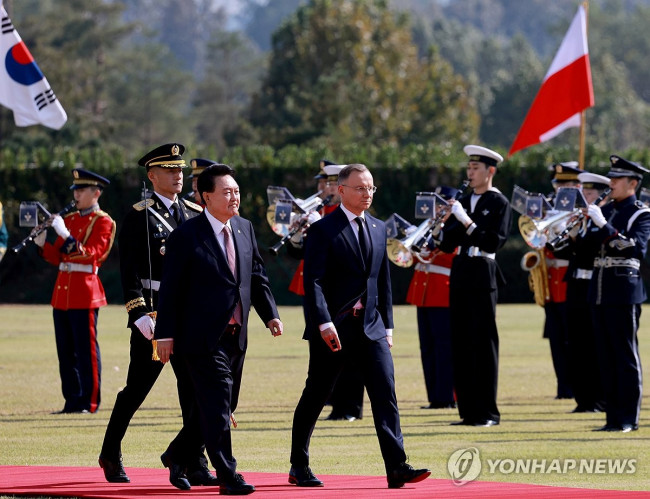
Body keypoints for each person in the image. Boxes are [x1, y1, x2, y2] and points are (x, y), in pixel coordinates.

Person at [289, 163, 430, 489]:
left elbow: (383, 282)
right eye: (360, 188)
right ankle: (299, 464)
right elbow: (314, 283)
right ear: (342, 191)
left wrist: (389, 327)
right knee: (316, 394)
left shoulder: (379, 228)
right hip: (334, 327)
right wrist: (323, 323)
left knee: (385, 394)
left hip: (372, 327)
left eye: (370, 188)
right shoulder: (323, 230)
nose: (367, 193)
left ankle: (397, 467)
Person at [155, 163, 283, 496]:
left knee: (224, 406)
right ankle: (228, 475)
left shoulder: (244, 227)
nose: (234, 197)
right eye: (226, 192)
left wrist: (270, 314)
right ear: (205, 196)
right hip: (199, 338)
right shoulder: (185, 235)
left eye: (237, 191)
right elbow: (169, 289)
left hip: (235, 336)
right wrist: (163, 335)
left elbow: (256, 275)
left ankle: (176, 454)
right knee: (217, 406)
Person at [98, 144, 214, 489]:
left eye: (180, 170)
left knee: (195, 390)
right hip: (155, 312)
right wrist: (139, 313)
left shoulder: (194, 212)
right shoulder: (138, 215)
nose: (178, 176)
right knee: (137, 388)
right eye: (169, 170)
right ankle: (110, 452)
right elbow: (129, 270)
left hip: (189, 315)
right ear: (152, 176)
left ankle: (193, 461)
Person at [438, 145, 511, 427]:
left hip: (483, 271)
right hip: (461, 271)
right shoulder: (464, 200)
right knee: (461, 343)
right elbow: (446, 244)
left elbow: (493, 241)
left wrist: (465, 220)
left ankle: (488, 412)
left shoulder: (499, 202)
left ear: (490, 171)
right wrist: (441, 225)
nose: (470, 173)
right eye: (468, 168)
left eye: (475, 169)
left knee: (483, 343)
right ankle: (468, 411)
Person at [287, 161, 365, 422]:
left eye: (327, 183)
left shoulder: (347, 213)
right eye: (322, 183)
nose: (322, 188)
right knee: (324, 356)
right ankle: (334, 403)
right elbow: (298, 253)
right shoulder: (321, 211)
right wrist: (296, 234)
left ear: (339, 186)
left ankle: (350, 406)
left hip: (345, 295)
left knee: (352, 357)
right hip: (322, 295)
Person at [34, 169, 115, 414]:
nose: (77, 195)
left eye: (81, 190)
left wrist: (64, 233)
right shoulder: (68, 220)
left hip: (85, 292)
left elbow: (92, 254)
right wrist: (41, 242)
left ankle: (89, 402)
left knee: (86, 351)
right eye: (75, 190)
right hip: (63, 292)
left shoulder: (104, 221)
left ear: (96, 193)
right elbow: (56, 255)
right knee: (66, 352)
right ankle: (71, 401)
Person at [580, 155, 650, 432]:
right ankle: (612, 417)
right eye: (611, 178)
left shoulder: (641, 214)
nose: (611, 183)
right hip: (599, 289)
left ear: (632, 183)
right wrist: (582, 227)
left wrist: (603, 226)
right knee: (605, 357)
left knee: (624, 356)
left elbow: (633, 248)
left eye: (617, 179)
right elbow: (585, 253)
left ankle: (628, 418)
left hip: (623, 290)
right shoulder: (605, 210)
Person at [406, 185, 458, 410]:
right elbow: (414, 260)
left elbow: (451, 255)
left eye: (442, 203)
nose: (437, 207)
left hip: (442, 292)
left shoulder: (455, 226)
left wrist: (429, 247)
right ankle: (435, 397)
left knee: (444, 348)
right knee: (427, 349)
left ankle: (448, 396)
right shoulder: (429, 225)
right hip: (424, 293)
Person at [564, 171, 609, 413]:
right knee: (577, 344)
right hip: (576, 285)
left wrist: (578, 234)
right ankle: (583, 399)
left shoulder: (603, 221)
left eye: (589, 192)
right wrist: (566, 234)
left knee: (595, 344)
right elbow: (564, 253)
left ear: (602, 195)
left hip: (594, 283)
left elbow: (591, 250)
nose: (585, 196)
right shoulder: (581, 221)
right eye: (583, 192)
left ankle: (599, 399)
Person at [543, 162, 582, 400]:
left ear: (577, 186)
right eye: (559, 184)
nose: (561, 189)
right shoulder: (550, 210)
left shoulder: (580, 211)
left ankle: (578, 386)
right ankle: (563, 388)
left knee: (574, 339)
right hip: (551, 284)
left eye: (566, 184)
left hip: (571, 280)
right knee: (557, 340)